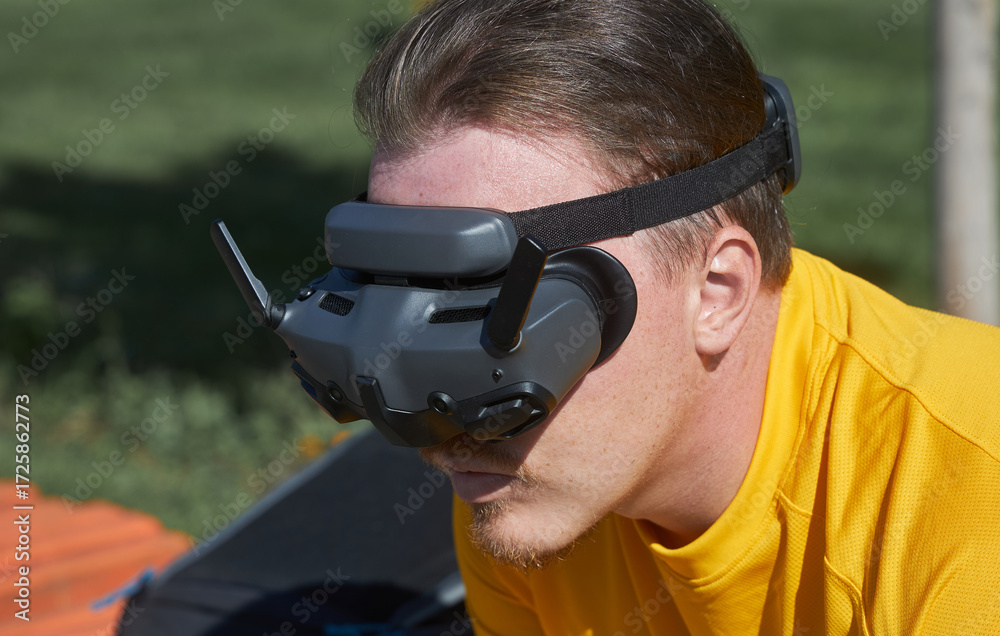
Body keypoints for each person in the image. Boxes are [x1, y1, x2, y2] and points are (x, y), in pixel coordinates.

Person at [352, 0, 1000, 633]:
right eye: (396, 299)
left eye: (493, 311)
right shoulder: (517, 476)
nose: (432, 417)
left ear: (718, 291)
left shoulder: (964, 519)